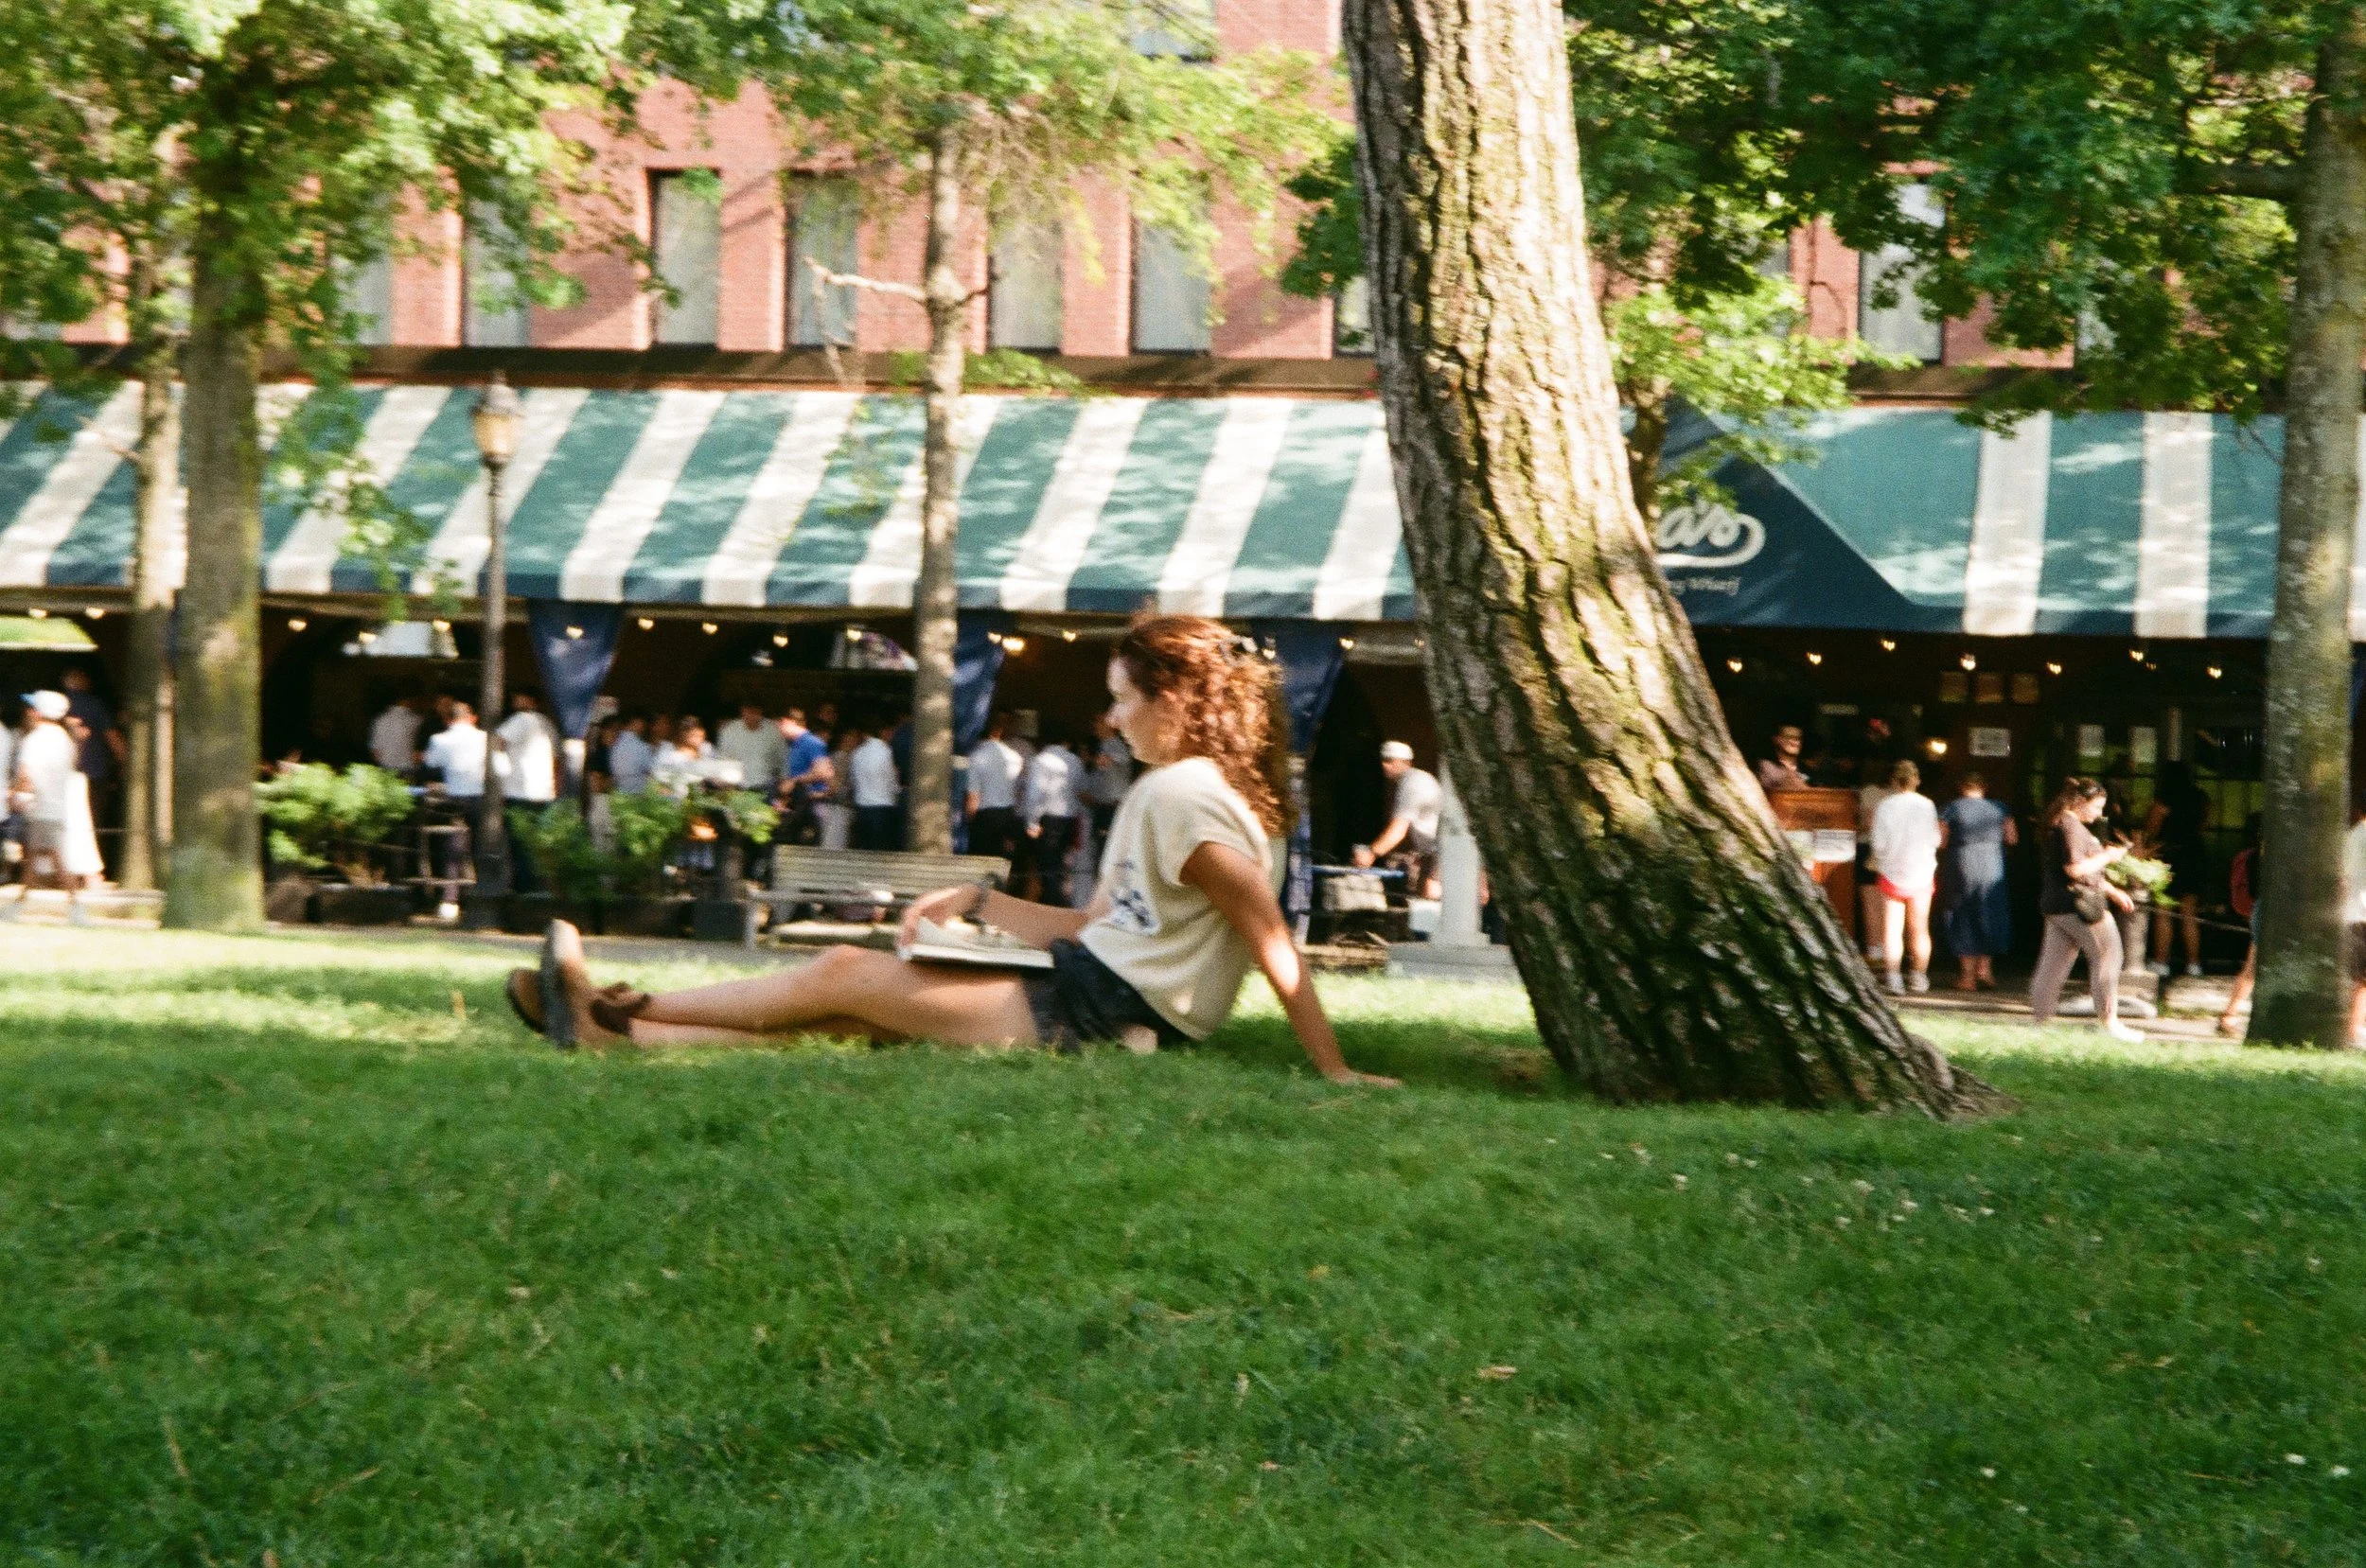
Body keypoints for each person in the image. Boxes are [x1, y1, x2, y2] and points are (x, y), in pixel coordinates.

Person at [510, 614, 1399, 1086]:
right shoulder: (1194, 788)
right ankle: (615, 1034)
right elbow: (1098, 921)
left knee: (844, 977)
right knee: (862, 1013)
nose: (1113, 718)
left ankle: (617, 1004)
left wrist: (1336, 1068)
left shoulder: (1184, 793)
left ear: (1179, 699)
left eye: (1125, 699)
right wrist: (975, 903)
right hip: (1100, 987)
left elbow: (1268, 933)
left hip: (1106, 1013)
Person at [2030, 776, 2144, 1042]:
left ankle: (2041, 1024)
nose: (2099, 814)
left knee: (2052, 966)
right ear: (2080, 802)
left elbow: (2078, 871)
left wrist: (2114, 891)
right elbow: (2075, 869)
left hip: (2057, 905)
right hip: (2079, 906)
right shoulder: (2071, 827)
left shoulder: (2061, 823)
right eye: (2096, 807)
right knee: (2109, 955)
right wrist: (2108, 856)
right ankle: (2110, 1023)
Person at [7, 692, 90, 919]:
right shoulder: (65, 739)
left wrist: (14, 794)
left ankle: (77, 908)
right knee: (34, 858)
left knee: (54, 859)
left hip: (41, 808)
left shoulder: (34, 740)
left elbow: (25, 775)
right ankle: (18, 904)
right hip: (57, 807)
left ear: (37, 712)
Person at [1938, 771, 2017, 992]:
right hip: (1992, 864)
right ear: (1985, 787)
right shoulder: (2000, 808)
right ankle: (1986, 970)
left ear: (1962, 787)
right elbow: (2012, 837)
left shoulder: (1951, 808)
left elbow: (1941, 841)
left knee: (1963, 913)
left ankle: (1967, 977)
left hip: (1962, 864)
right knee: (1990, 910)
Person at [1870, 760, 1942, 995]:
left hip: (1892, 870)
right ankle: (1919, 977)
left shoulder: (1885, 806)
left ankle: (1894, 978)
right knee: (1920, 928)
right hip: (1921, 870)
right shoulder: (1927, 805)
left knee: (1892, 928)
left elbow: (1878, 843)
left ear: (1893, 781)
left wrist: (1883, 858)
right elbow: (1936, 839)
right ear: (1917, 780)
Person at [2145, 761, 2212, 978]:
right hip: (2195, 855)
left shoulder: (2164, 799)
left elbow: (2151, 829)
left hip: (2169, 856)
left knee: (2163, 912)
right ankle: (2194, 964)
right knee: (2189, 914)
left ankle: (2161, 962)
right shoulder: (2201, 798)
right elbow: (2203, 825)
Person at [1352, 741, 1443, 900]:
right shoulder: (1413, 780)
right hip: (1433, 850)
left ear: (1405, 763)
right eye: (1383, 760)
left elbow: (1398, 830)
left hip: (1443, 850)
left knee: (1432, 896)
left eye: (1389, 760)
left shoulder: (1412, 784)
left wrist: (1371, 854)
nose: (1384, 765)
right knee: (1422, 897)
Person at [1022, 727, 1083, 907]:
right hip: (1069, 818)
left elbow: (1036, 793)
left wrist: (1032, 821)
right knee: (1060, 865)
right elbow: (1079, 789)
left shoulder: (1041, 761)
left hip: (1048, 819)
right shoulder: (1075, 760)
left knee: (1046, 865)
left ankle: (1053, 904)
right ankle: (1056, 901)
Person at [2217, 815, 2264, 1037]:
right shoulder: (2278, 855)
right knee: (2252, 969)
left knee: (2251, 968)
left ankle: (2230, 1015)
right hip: (2270, 912)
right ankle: (2229, 1015)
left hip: (2260, 909)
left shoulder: (2255, 854)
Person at [965, 712, 1025, 868]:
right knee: (1001, 864)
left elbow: (973, 797)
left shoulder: (976, 757)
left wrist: (970, 821)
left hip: (985, 816)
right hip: (1008, 813)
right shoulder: (1015, 756)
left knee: (980, 863)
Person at [1857, 763, 1899, 965]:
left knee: (1871, 902)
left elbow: (1867, 823)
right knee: (1891, 902)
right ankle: (1891, 950)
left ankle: (1875, 950)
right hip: (1895, 851)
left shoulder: (1869, 792)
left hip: (1869, 847)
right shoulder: (1902, 797)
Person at [497, 692, 559, 808]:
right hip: (544, 791)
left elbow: (497, 742)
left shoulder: (522, 719)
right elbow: (556, 759)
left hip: (518, 790)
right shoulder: (548, 724)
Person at [1083, 712, 1135, 854]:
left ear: (1110, 726)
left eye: (1099, 723)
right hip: (1102, 806)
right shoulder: (1103, 746)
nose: (1095, 727)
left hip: (1113, 807)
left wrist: (1105, 759)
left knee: (1106, 848)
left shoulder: (1116, 745)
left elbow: (1124, 758)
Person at [848, 716, 901, 850]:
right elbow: (891, 781)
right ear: (884, 731)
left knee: (864, 848)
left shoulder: (857, 753)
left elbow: (853, 779)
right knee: (881, 850)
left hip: (861, 807)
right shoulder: (886, 751)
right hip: (883, 808)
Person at [718, 700, 787, 798]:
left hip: (765, 786)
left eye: (756, 712)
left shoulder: (773, 730)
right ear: (743, 711)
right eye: (749, 712)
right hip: (737, 786)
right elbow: (723, 759)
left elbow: (782, 757)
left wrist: (784, 780)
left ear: (761, 712)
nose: (752, 716)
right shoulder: (729, 731)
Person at [370, 696, 425, 775]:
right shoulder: (417, 721)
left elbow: (375, 751)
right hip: (409, 771)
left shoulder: (380, 720)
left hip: (385, 770)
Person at [609, 712, 656, 795]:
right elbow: (651, 770)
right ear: (637, 722)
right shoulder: (641, 746)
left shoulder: (613, 741)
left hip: (616, 792)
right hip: (637, 793)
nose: (644, 727)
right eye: (643, 723)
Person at [1757, 723, 1810, 794]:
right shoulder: (1767, 767)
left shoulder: (1807, 768)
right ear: (1777, 739)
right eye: (1789, 737)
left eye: (1797, 738)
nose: (1794, 742)